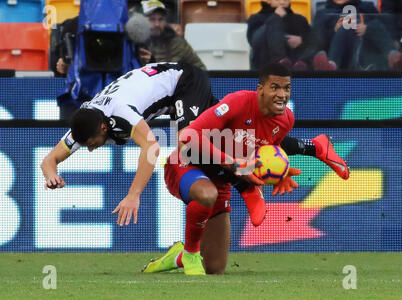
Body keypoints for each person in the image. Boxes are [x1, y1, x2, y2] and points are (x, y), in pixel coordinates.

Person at [142, 63, 349, 275]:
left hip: (223, 178)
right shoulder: (238, 102)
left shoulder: (287, 119)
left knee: (214, 268)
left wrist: (280, 170)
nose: (282, 94)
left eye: (287, 88)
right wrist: (231, 162)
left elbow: (263, 150)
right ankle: (192, 252)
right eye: (275, 87)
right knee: (207, 193)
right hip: (186, 164)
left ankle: (179, 255)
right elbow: (187, 137)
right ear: (261, 89)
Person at [311, 0, 402, 70]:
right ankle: (331, 65)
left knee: (374, 24)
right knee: (349, 24)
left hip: (367, 52)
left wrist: (367, 28)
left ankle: (393, 56)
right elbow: (317, 41)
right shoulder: (323, 13)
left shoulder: (367, 8)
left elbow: (382, 26)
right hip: (344, 56)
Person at [137, 0, 207, 70]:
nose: (157, 24)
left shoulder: (177, 43)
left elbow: (201, 69)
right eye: (152, 19)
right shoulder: (132, 43)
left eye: (161, 19)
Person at [247, 0, 313, 70]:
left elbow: (313, 42)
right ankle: (280, 61)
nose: (282, 2)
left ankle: (290, 64)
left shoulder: (300, 19)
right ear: (268, 1)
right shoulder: (256, 18)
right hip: (265, 63)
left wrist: (302, 40)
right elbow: (253, 41)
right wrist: (276, 17)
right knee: (272, 24)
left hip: (295, 63)